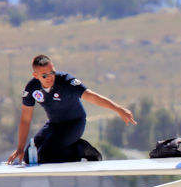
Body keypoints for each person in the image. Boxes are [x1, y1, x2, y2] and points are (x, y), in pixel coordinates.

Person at [8, 54, 136, 165]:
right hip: (54, 124)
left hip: (74, 123)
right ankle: (70, 146)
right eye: (45, 75)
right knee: (29, 158)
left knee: (46, 156)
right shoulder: (32, 88)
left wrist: (118, 109)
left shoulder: (66, 81)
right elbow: (25, 119)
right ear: (36, 76)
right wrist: (20, 148)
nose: (50, 77)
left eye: (52, 72)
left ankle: (81, 148)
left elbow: (92, 97)